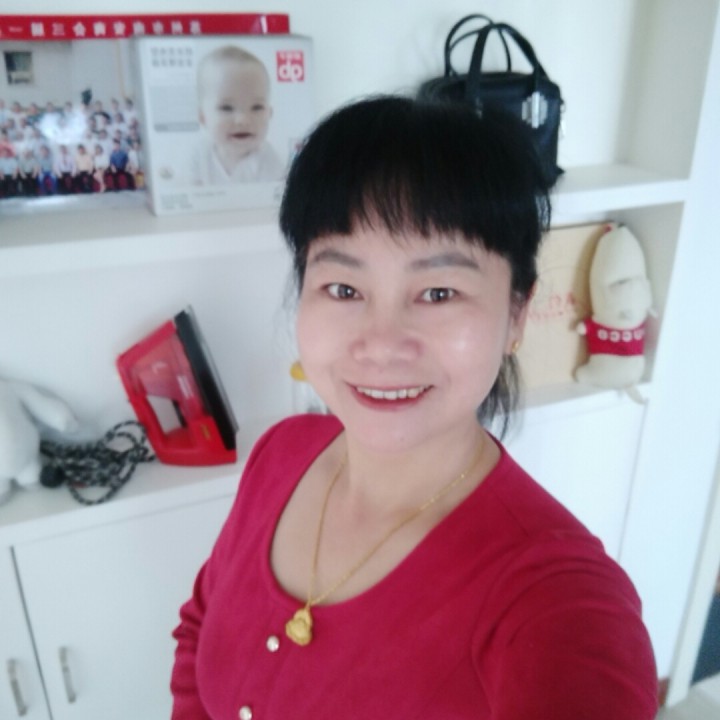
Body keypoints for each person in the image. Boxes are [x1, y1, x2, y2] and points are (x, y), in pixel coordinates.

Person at [170, 96, 658, 719]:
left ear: (517, 313)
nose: (380, 344)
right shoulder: (281, 452)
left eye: (438, 292)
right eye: (343, 288)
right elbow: (199, 629)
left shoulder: (556, 605)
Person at [190, 45, 284, 185]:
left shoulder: (269, 160)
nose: (243, 120)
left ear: (269, 114)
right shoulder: (199, 156)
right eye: (227, 108)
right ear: (203, 117)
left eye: (257, 107)